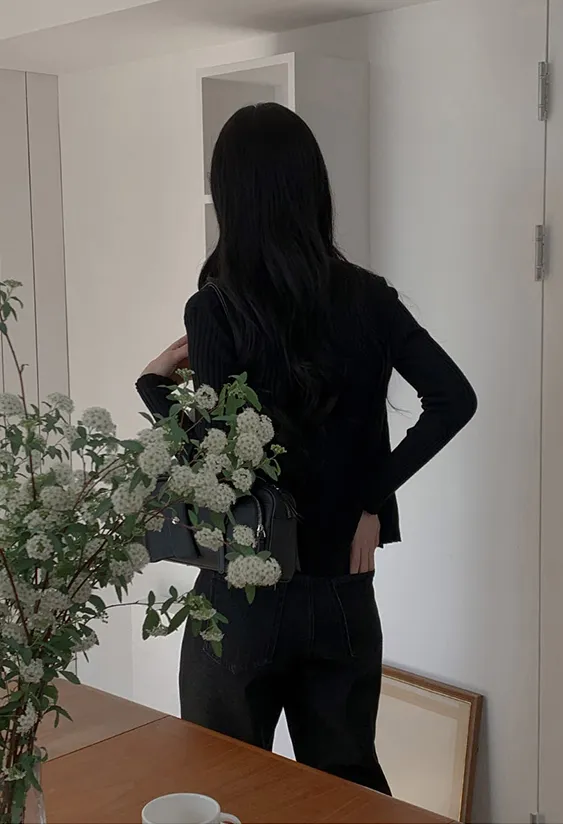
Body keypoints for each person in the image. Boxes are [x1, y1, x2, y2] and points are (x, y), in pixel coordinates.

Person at [136, 102, 477, 795]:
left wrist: (153, 388)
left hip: (242, 592)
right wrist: (369, 498)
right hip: (341, 589)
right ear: (313, 189)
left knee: (222, 792)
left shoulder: (216, 309)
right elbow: (454, 399)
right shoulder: (370, 298)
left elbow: (221, 464)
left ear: (231, 197)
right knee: (346, 794)